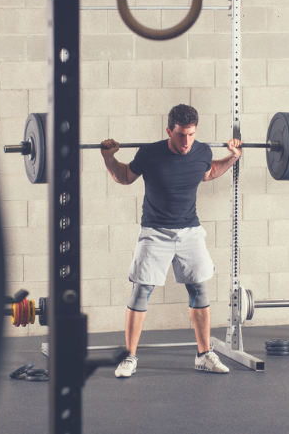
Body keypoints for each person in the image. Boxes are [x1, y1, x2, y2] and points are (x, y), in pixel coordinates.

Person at [100, 104, 242, 378]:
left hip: (190, 230)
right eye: (180, 135)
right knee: (142, 291)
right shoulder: (150, 153)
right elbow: (125, 177)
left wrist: (233, 157)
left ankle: (203, 355)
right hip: (155, 232)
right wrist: (108, 158)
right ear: (169, 131)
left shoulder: (202, 151)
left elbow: (208, 172)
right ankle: (129, 357)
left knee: (199, 289)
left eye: (191, 135)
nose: (186, 141)